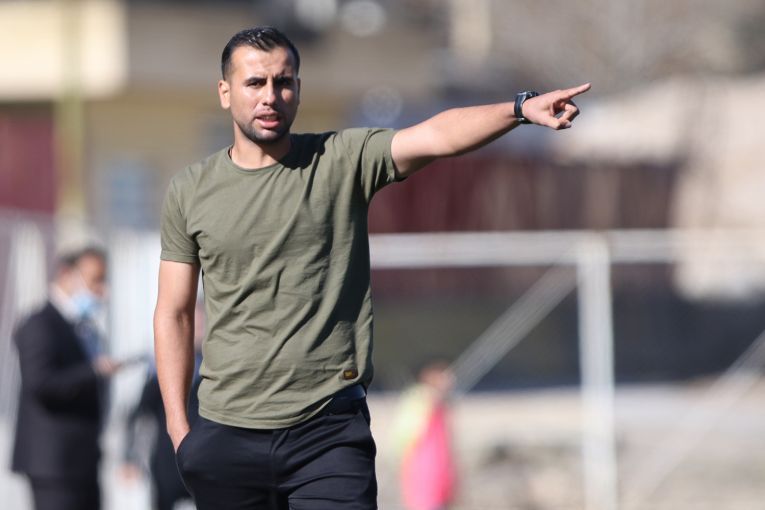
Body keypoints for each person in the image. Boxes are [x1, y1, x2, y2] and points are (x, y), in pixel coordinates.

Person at [154, 26, 590, 510]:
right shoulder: (190, 191)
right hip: (226, 436)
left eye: (284, 82)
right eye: (255, 83)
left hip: (327, 434)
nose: (270, 96)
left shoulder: (340, 160)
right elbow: (174, 313)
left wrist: (519, 109)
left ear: (298, 87)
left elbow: (436, 135)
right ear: (225, 91)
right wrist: (179, 428)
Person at [12, 246, 122, 510]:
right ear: (66, 274)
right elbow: (41, 384)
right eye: (95, 280)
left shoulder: (86, 329)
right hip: (54, 465)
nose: (101, 290)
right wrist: (93, 371)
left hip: (84, 462)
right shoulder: (39, 324)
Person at [121, 301, 204, 510]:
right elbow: (140, 415)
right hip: (167, 460)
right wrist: (130, 457)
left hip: (204, 460)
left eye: (202, 323)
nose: (198, 328)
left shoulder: (212, 368)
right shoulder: (162, 369)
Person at [391, 362, 456, 510]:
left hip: (440, 472)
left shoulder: (439, 403)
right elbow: (405, 436)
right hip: (424, 471)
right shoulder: (421, 400)